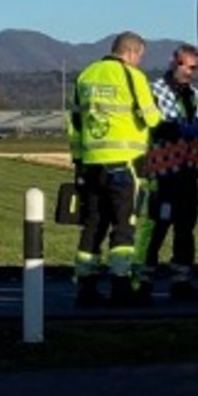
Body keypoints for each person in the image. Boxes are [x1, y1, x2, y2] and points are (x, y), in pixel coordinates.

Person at [68, 31, 160, 307]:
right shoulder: (132, 77)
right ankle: (120, 286)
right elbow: (152, 118)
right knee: (124, 227)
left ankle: (86, 287)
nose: (139, 62)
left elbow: (74, 122)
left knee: (93, 225)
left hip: (90, 164)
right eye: (139, 57)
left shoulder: (86, 75)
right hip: (124, 163)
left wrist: (79, 160)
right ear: (131, 53)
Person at [133, 43, 198, 303]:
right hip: (161, 175)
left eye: (194, 68)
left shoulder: (196, 96)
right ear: (174, 63)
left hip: (188, 173)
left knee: (185, 230)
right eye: (185, 66)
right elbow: (151, 126)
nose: (189, 72)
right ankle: (142, 283)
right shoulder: (154, 91)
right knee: (154, 230)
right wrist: (174, 129)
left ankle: (181, 282)